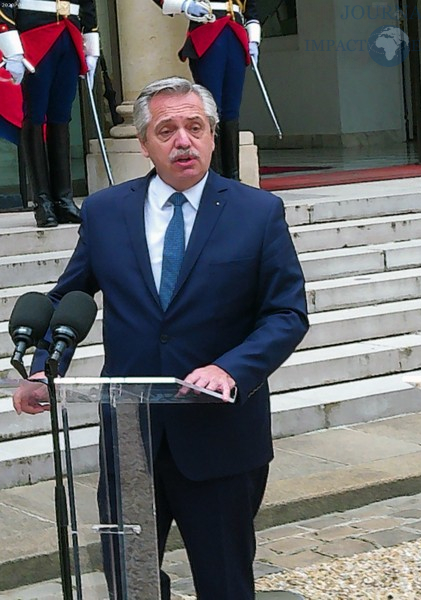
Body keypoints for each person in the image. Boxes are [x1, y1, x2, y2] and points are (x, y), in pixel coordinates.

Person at [13, 76, 309, 599]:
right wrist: (44, 364)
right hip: (132, 434)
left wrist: (231, 368)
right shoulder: (106, 212)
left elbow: (286, 313)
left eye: (195, 127)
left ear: (213, 136)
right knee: (132, 581)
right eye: (166, 129)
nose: (183, 140)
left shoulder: (257, 212)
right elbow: (68, 297)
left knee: (225, 582)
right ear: (145, 143)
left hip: (219, 437)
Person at [0, 0, 99, 227]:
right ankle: (42, 201)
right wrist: (12, 49)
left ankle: (64, 199)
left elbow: (87, 4)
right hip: (35, 34)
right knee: (35, 115)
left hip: (69, 33)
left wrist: (91, 39)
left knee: (61, 116)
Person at [154, 0, 260, 181]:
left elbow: (251, 7)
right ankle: (213, 177)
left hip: (235, 33)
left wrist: (254, 38)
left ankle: (233, 178)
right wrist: (184, 5)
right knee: (212, 109)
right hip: (208, 30)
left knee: (231, 110)